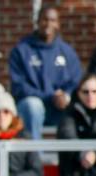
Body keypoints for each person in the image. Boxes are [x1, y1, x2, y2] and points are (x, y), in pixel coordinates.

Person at [9, 6, 82, 141]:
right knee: (32, 105)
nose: (48, 24)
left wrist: (65, 96)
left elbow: (76, 82)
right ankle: (34, 158)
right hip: (31, 109)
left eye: (53, 20)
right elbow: (19, 86)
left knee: (77, 108)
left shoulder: (67, 52)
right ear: (37, 22)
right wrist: (50, 96)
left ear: (58, 24)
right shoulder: (21, 50)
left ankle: (72, 158)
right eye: (45, 20)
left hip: (59, 108)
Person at [57, 73, 96, 176]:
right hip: (78, 169)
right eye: (85, 92)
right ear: (78, 93)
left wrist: (95, 153)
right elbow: (67, 135)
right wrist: (82, 153)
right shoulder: (69, 113)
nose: (90, 96)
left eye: (95, 91)